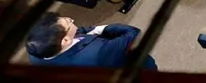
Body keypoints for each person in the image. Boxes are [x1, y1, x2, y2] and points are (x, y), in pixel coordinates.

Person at [26, 13, 157, 68]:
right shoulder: (98, 53)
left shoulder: (36, 53)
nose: (72, 19)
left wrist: (96, 30)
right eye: (68, 22)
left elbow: (80, 31)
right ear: (65, 41)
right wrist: (106, 28)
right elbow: (133, 33)